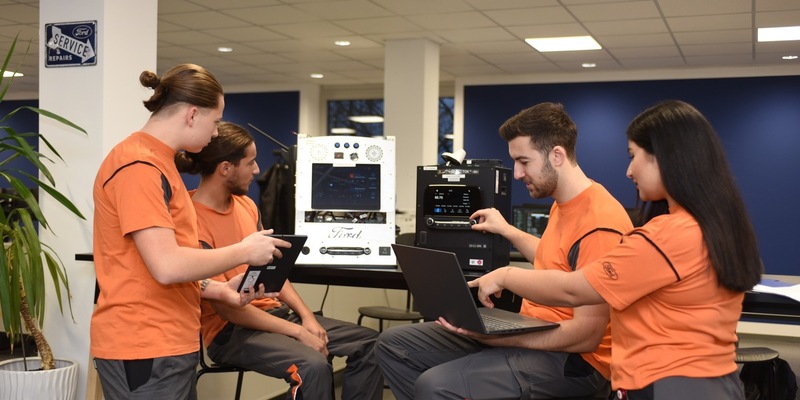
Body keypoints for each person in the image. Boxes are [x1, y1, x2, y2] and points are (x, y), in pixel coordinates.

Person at [463, 100, 762, 399]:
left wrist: (505, 276)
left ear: (666, 158)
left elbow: (574, 288)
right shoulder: (713, 226)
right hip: (711, 379)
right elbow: (563, 261)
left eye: (634, 156)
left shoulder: (668, 235)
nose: (629, 171)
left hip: (669, 382)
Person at [376, 102, 634, 399]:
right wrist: (507, 230)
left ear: (557, 155)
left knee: (436, 385)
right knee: (393, 344)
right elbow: (559, 260)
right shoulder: (564, 204)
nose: (517, 173)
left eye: (524, 161)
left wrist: (504, 339)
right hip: (535, 330)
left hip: (577, 362)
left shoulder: (600, 222)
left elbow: (587, 335)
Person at [92, 64, 286, 399]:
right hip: (145, 343)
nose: (215, 134)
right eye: (215, 122)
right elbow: (166, 266)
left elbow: (154, 260)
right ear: (192, 114)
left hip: (167, 341)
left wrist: (218, 290)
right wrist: (244, 250)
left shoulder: (160, 162)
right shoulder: (139, 166)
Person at [176, 121, 384, 400]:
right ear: (225, 168)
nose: (257, 170)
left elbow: (272, 269)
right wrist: (298, 332)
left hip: (274, 315)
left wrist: (308, 318)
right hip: (231, 332)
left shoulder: (247, 206)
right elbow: (228, 309)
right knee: (312, 366)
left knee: (371, 343)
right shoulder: (190, 219)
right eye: (250, 163)